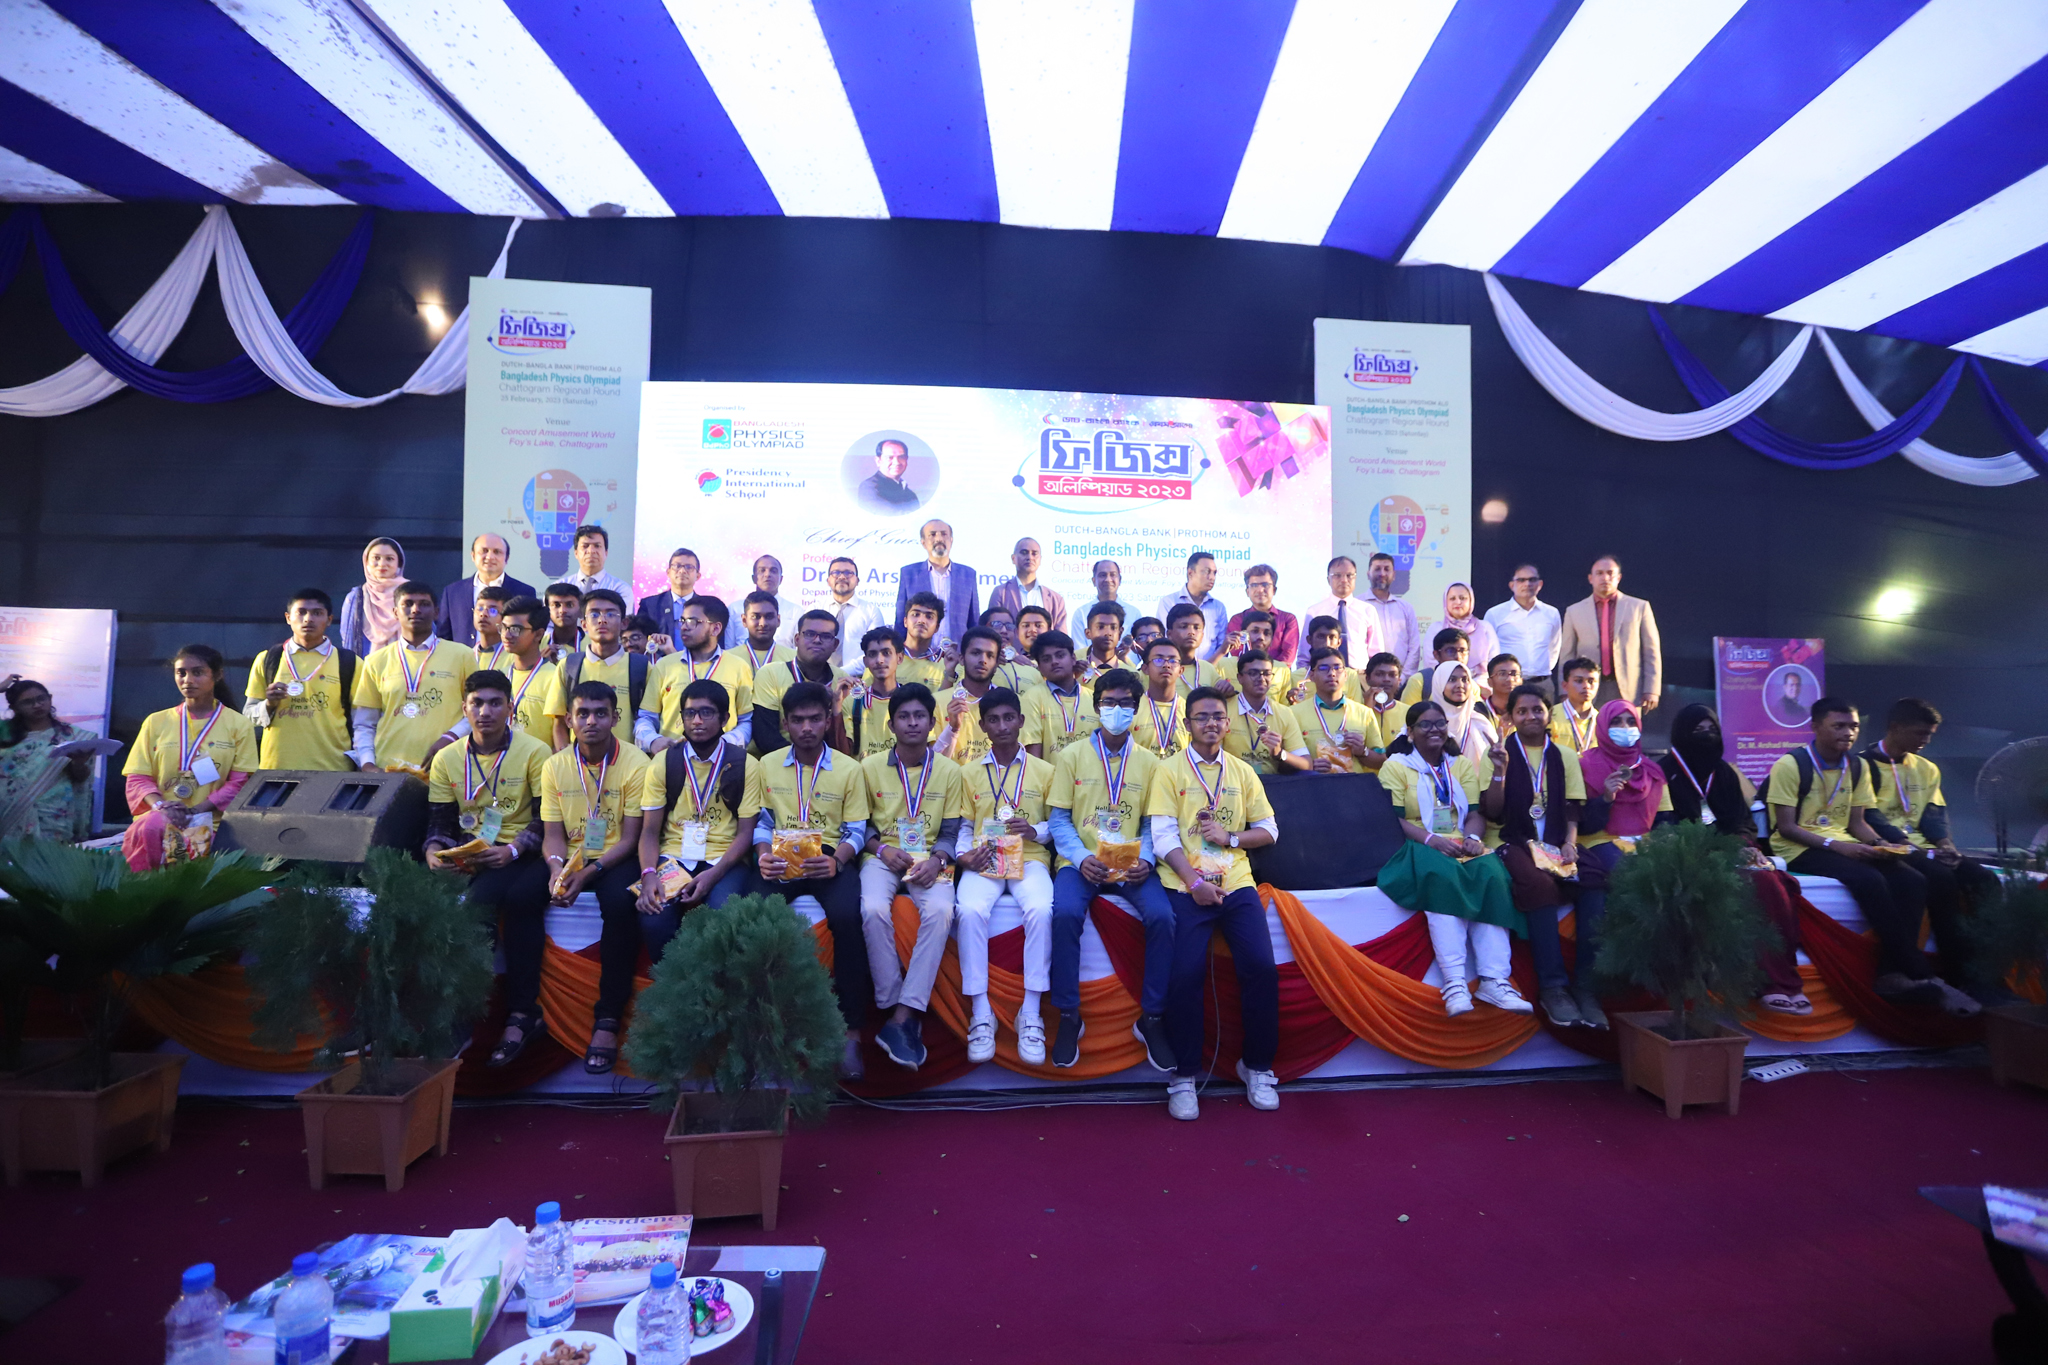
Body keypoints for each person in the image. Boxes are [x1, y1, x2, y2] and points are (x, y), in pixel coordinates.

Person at [1766, 698, 1977, 1014]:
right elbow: (1786, 828)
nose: (1848, 733)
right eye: (1838, 726)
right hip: (1799, 848)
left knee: (1911, 879)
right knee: (1869, 879)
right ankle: (1919, 971)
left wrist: (1882, 845)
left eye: (1853, 726)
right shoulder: (1790, 764)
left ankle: (1891, 973)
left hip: (1844, 842)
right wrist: (1837, 846)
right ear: (1815, 727)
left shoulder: (1857, 766)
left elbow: (1857, 823)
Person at [1150, 687, 1282, 1121]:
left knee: (1261, 968)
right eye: (1201, 716)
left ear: (1227, 724)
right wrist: (1194, 883)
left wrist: (1231, 838)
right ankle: (1184, 1075)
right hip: (1184, 885)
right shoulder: (1169, 770)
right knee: (1184, 975)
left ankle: (1257, 1066)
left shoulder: (1242, 771)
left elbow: (1269, 829)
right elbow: (1162, 837)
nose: (1210, 723)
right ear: (1187, 724)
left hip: (1237, 882)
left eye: (1217, 717)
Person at [1046, 669, 1178, 1071]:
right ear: (1096, 706)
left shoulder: (1152, 763)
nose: (1116, 709)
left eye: (1125, 703)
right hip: (1081, 862)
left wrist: (1147, 860)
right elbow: (1058, 820)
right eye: (1109, 702)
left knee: (1163, 917)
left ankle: (1151, 1017)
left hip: (1131, 862)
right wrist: (1080, 857)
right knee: (1064, 914)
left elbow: (1154, 823)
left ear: (1136, 710)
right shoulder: (1070, 756)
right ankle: (1069, 1014)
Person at [422, 670, 552, 1067]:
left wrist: (513, 849)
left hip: (523, 855)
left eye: (495, 703)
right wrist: (434, 853)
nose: (485, 712)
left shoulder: (535, 751)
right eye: (477, 703)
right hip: (471, 855)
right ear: (464, 708)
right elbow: (441, 823)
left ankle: (475, 1018)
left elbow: (547, 821)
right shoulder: (447, 758)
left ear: (510, 708)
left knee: (492, 902)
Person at [1375, 699, 1532, 1017]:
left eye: (1439, 723)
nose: (1434, 729)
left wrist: (1473, 838)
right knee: (1442, 876)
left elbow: (1474, 814)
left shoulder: (1459, 764)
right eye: (1425, 724)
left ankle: (1494, 980)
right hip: (1418, 843)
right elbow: (1393, 819)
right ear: (1410, 732)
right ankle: (1455, 983)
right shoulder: (1396, 765)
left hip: (1460, 841)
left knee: (1491, 873)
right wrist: (1431, 840)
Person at [746, 681, 871, 1077]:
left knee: (849, 919)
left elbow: (856, 830)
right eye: (797, 720)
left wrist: (837, 861)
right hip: (780, 858)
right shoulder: (766, 765)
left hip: (827, 858)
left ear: (827, 721)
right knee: (752, 917)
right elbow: (762, 822)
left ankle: (851, 1033)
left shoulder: (849, 769)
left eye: (815, 719)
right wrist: (763, 857)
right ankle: (760, 1028)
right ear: (784, 724)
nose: (806, 728)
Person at [1660, 703, 1810, 1015]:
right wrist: (1716, 849)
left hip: (1730, 853)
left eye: (1712, 730)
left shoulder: (1724, 773)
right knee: (1754, 884)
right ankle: (1769, 983)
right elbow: (1663, 827)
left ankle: (1785, 981)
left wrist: (1744, 845)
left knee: (1774, 882)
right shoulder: (1663, 772)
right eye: (1698, 730)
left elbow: (1742, 822)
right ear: (1681, 733)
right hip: (1687, 857)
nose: (1706, 736)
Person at [1862, 698, 2007, 1002]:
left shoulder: (1927, 768)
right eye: (1920, 733)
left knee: (1985, 880)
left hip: (1925, 847)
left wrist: (1946, 845)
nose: (1926, 741)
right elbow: (1867, 816)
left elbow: (1933, 814)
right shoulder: (1860, 766)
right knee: (1940, 879)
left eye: (1930, 734)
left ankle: (1989, 970)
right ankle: (1958, 973)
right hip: (1888, 846)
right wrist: (1908, 846)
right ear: (1894, 727)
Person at [540, 680, 650, 1073]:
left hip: (617, 858)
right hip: (571, 857)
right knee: (519, 897)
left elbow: (632, 838)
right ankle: (524, 1012)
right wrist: (556, 869)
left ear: (615, 718)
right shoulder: (554, 765)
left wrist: (587, 874)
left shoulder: (636, 763)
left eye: (600, 713)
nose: (591, 721)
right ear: (569, 720)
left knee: (619, 904)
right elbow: (553, 835)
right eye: (582, 714)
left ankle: (607, 1018)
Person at [856, 684, 964, 1070]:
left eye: (920, 716)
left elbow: (951, 831)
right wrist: (882, 850)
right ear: (891, 725)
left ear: (933, 722)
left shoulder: (950, 771)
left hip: (930, 860)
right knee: (871, 909)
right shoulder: (868, 768)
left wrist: (938, 859)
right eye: (904, 716)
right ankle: (891, 1003)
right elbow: (859, 826)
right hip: (883, 856)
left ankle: (904, 1015)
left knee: (941, 911)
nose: (913, 723)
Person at [952, 687, 1056, 1064]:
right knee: (968, 910)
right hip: (985, 860)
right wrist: (964, 856)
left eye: (1008, 718)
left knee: (1041, 910)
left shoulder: (1045, 771)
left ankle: (1031, 1012)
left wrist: (1035, 830)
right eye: (993, 720)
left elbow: (1058, 823)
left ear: (1021, 721)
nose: (1002, 726)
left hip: (1030, 859)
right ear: (982, 726)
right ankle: (981, 1013)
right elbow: (965, 826)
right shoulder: (969, 773)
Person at [1483, 689, 1595, 1028]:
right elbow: (1492, 811)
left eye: (1537, 709)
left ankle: (1587, 985)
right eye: (1522, 711)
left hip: (1557, 843)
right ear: (1510, 718)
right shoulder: (1498, 753)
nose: (1530, 716)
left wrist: (1570, 844)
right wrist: (1500, 771)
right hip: (1511, 839)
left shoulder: (1565, 755)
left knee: (1595, 881)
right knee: (1538, 884)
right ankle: (1553, 987)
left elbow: (1573, 808)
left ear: (1549, 714)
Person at [636, 678, 760, 950]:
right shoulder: (664, 761)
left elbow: (745, 833)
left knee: (722, 916)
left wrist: (713, 875)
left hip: (724, 859)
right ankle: (672, 978)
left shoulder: (745, 764)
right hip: (674, 856)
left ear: (725, 718)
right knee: (654, 919)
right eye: (690, 713)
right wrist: (648, 874)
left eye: (706, 713)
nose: (697, 721)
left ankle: (714, 980)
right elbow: (649, 831)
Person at [120, 645, 256, 870]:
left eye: (198, 672)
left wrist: (196, 810)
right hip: (158, 820)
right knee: (151, 830)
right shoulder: (156, 722)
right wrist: (162, 807)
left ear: (218, 675)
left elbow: (240, 783)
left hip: (210, 823)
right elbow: (138, 777)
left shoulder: (238, 725)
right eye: (181, 673)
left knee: (190, 876)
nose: (188, 680)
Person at [349, 581, 478, 774]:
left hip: (447, 767)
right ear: (395, 612)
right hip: (389, 769)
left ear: (436, 612)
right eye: (407, 604)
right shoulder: (376, 660)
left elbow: (476, 710)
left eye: (424, 604)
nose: (416, 610)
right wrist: (367, 764)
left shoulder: (462, 655)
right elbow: (365, 723)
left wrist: (450, 737)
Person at [245, 588, 357, 772]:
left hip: (332, 769)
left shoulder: (349, 662)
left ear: (329, 620)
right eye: (301, 612)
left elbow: (363, 721)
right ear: (288, 618)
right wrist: (269, 704)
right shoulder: (268, 659)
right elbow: (248, 715)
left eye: (317, 613)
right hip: (276, 768)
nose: (308, 619)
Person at [1555, 555, 1662, 712]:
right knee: (1588, 728)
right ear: (1590, 578)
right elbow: (1567, 654)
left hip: (1629, 688)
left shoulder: (1639, 607)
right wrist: (1565, 691)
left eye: (1610, 573)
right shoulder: (1574, 611)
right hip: (1587, 688)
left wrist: (1652, 690)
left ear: (1618, 578)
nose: (1605, 578)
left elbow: (1651, 651)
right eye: (1599, 573)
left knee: (1625, 728)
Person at [543, 590, 646, 751]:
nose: (602, 620)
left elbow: (649, 720)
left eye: (610, 614)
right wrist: (568, 758)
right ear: (584, 624)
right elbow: (559, 722)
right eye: (594, 614)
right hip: (579, 762)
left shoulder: (642, 667)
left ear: (624, 623)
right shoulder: (569, 666)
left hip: (628, 763)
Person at [0, 677, 99, 842]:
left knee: (48, 857)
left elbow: (80, 779)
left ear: (50, 699)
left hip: (53, 815)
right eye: (28, 702)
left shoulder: (74, 737)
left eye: (41, 699)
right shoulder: (4, 733)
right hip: (8, 812)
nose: (37, 705)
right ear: (14, 708)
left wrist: (79, 763)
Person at [643, 597, 751, 748]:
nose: (684, 627)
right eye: (682, 621)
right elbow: (647, 717)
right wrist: (653, 740)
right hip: (672, 755)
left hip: (721, 758)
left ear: (715, 629)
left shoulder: (738, 666)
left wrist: (725, 744)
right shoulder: (664, 665)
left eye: (692, 621)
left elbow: (746, 721)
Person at [750, 610, 849, 755]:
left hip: (830, 763)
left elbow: (844, 738)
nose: (817, 640)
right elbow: (765, 736)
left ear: (835, 645)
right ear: (796, 639)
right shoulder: (770, 673)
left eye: (826, 636)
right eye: (809, 634)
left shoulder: (842, 679)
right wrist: (804, 762)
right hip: (780, 761)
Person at [1290, 647, 1378, 773]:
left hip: (1353, 783)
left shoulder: (1364, 713)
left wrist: (1362, 751)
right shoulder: (1293, 713)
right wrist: (1308, 765)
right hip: (1313, 783)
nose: (1332, 673)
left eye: (1337, 668)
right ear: (1312, 676)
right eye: (1323, 668)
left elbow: (1381, 761)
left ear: (1346, 675)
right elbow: (1281, 763)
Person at [438, 533, 534, 647]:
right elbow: (443, 638)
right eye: (484, 551)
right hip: (463, 657)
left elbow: (528, 635)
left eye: (497, 552)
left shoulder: (524, 592)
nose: (490, 557)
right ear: (473, 556)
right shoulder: (453, 592)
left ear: (506, 558)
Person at [1222, 651, 1310, 775]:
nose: (1261, 678)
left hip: (1270, 781)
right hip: (1232, 780)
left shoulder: (1284, 713)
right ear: (1240, 678)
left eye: (1267, 673)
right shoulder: (1223, 710)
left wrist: (1280, 753)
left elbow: (1306, 763)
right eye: (1253, 673)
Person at [894, 519, 979, 644]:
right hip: (919, 651)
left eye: (944, 534)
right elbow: (901, 619)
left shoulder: (967, 575)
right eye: (932, 534)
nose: (939, 539)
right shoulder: (909, 574)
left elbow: (974, 622)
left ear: (951, 540)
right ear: (923, 543)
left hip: (957, 651)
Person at [1483, 564, 1561, 693]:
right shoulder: (1495, 614)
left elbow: (1554, 649)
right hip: (1508, 684)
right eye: (1521, 580)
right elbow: (1487, 651)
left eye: (1532, 579)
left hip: (1542, 684)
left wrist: (1539, 670)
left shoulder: (1552, 613)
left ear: (1540, 584)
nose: (1527, 584)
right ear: (1511, 585)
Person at [1297, 556, 1382, 671]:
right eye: (1337, 575)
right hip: (1324, 674)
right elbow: (1304, 655)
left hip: (1360, 675)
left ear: (1355, 578)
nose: (1344, 580)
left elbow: (1377, 653)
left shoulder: (1367, 610)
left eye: (1349, 575)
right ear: (1328, 579)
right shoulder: (1314, 611)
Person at [1022, 631, 1095, 763]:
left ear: (1073, 658)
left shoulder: (1093, 699)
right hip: (1050, 776)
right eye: (1046, 659)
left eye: (1060, 655)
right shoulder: (1032, 698)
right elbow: (1033, 758)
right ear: (1039, 667)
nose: (1054, 662)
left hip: (1089, 776)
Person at [934, 627, 1004, 765]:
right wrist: (952, 729)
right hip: (952, 779)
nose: (983, 660)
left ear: (996, 664)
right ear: (961, 658)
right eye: (976, 653)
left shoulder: (1008, 703)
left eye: (990, 655)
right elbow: (932, 761)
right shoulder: (937, 701)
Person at [497, 596, 559, 747]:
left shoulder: (555, 678)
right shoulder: (499, 676)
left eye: (515, 629)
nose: (506, 635)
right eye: (504, 627)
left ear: (538, 634)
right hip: (501, 760)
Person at [841, 627, 907, 759]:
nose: (879, 660)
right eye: (872, 654)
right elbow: (843, 752)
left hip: (900, 772)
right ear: (865, 661)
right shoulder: (852, 701)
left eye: (886, 653)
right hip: (862, 772)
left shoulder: (911, 701)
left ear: (899, 658)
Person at [338, 536, 407, 656]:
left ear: (399, 563)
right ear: (367, 563)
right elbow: (347, 636)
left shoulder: (410, 595)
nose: (382, 564)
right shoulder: (356, 597)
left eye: (389, 559)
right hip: (364, 662)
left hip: (406, 662)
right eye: (376, 558)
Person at [988, 538, 1068, 640]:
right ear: (1013, 558)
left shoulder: (1055, 599)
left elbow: (1061, 639)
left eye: (1034, 553)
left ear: (1040, 559)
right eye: (1024, 552)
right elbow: (993, 632)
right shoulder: (1001, 593)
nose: (1030, 557)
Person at [1155, 551, 1228, 662]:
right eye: (1207, 572)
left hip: (1211, 669)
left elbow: (1222, 646)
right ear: (1190, 573)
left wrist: (1208, 668)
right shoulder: (1169, 602)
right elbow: (1164, 640)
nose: (1212, 577)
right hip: (1176, 668)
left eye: (1214, 573)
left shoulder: (1219, 607)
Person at [1226, 564, 1298, 667]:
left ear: (1274, 590)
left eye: (1265, 585)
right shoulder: (1237, 620)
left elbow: (1288, 656)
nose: (1260, 590)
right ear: (1247, 591)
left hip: (1279, 674)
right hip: (1244, 674)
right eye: (1254, 585)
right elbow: (1237, 653)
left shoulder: (1287, 619)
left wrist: (1267, 671)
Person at [820, 557, 886, 670]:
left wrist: (842, 672)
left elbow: (875, 651)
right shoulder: (815, 609)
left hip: (858, 677)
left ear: (857, 581)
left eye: (848, 573)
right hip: (817, 677)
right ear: (828, 581)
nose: (842, 577)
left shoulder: (871, 611)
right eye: (836, 573)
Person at [1361, 553, 1420, 675]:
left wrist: (1403, 678)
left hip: (1402, 680)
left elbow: (1414, 647)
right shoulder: (1358, 606)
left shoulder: (1406, 608)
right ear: (1368, 574)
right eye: (1377, 569)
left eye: (1387, 569)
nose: (1382, 573)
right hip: (1367, 679)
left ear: (1394, 575)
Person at [634, 546, 703, 648]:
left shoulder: (707, 607)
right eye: (677, 566)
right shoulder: (650, 605)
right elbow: (640, 640)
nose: (682, 571)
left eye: (689, 567)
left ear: (698, 576)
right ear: (668, 572)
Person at [1221, 612, 1295, 701]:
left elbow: (1284, 706)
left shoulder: (1282, 670)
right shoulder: (1223, 665)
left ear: (1272, 639)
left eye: (1267, 633)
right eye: (1255, 631)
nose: (1261, 637)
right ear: (1243, 635)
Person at [1133, 638, 1187, 760]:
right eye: (1158, 660)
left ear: (1181, 670)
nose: (1166, 665)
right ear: (1145, 669)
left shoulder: (1189, 710)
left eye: (1173, 660)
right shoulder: (1132, 709)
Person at [1436, 583, 1500, 681]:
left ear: (1471, 601)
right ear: (1445, 602)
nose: (1458, 602)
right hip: (1444, 683)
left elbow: (1494, 662)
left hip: (1481, 685)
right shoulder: (1436, 628)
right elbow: (1432, 662)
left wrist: (1473, 685)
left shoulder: (1485, 627)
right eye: (1452, 599)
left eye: (1462, 598)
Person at [1398, 629, 1473, 705]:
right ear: (1436, 655)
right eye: (1450, 651)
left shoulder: (1471, 685)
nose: (1458, 657)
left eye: (1462, 651)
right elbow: (1409, 712)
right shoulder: (1420, 681)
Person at [895, 592, 953, 691]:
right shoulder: (887, 660)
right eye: (915, 614)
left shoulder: (947, 665)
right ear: (905, 621)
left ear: (937, 627)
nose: (921, 621)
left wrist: (950, 673)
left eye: (929, 617)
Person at [1165, 603, 1227, 695]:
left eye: (1196, 627)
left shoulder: (1208, 668)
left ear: (1202, 635)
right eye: (1184, 627)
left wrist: (1227, 689)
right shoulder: (1161, 668)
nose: (1191, 632)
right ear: (1169, 634)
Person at [1549, 658, 1603, 756]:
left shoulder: (1602, 720)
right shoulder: (1551, 716)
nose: (1586, 686)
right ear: (1565, 685)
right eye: (1579, 681)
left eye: (1591, 681)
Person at [856, 436, 922, 513]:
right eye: (889, 457)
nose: (896, 462)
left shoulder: (909, 493)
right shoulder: (869, 487)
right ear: (878, 461)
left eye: (901, 457)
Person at [734, 590, 795, 674]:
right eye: (755, 617)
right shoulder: (728, 658)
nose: (763, 623)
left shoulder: (794, 659)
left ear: (778, 620)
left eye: (769, 617)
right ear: (744, 620)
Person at [564, 523, 629, 599]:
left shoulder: (619, 589)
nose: (591, 551)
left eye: (597, 546)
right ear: (576, 553)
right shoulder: (561, 587)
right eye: (585, 546)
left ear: (606, 553)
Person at [1068, 559, 1126, 641]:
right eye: (1102, 575)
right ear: (1094, 581)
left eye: (1113, 575)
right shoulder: (1081, 613)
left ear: (1120, 580)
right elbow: (1079, 647)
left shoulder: (1134, 613)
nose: (1108, 579)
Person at [1079, 601, 1132, 684]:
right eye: (1100, 627)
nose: (1108, 633)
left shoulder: (1131, 675)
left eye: (1113, 627)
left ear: (1120, 633)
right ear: (1088, 633)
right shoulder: (1075, 672)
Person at [1361, 652, 1404, 734]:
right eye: (1379, 674)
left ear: (1399, 680)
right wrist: (1366, 709)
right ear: (1367, 678)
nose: (1386, 679)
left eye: (1392, 675)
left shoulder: (1408, 712)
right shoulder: (1353, 710)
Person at [472, 586, 514, 670]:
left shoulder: (514, 656)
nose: (483, 614)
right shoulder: (467, 655)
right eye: (480, 608)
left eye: (492, 611)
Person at [1478, 653, 1524, 729]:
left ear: (1522, 680)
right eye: (1502, 674)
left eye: (1514, 674)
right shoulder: (1477, 712)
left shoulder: (1529, 712)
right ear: (1490, 682)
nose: (1510, 679)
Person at [542, 583, 583, 658]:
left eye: (570, 605)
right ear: (547, 610)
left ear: (580, 610)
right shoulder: (537, 645)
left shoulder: (593, 644)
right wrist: (541, 661)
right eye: (556, 605)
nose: (562, 610)